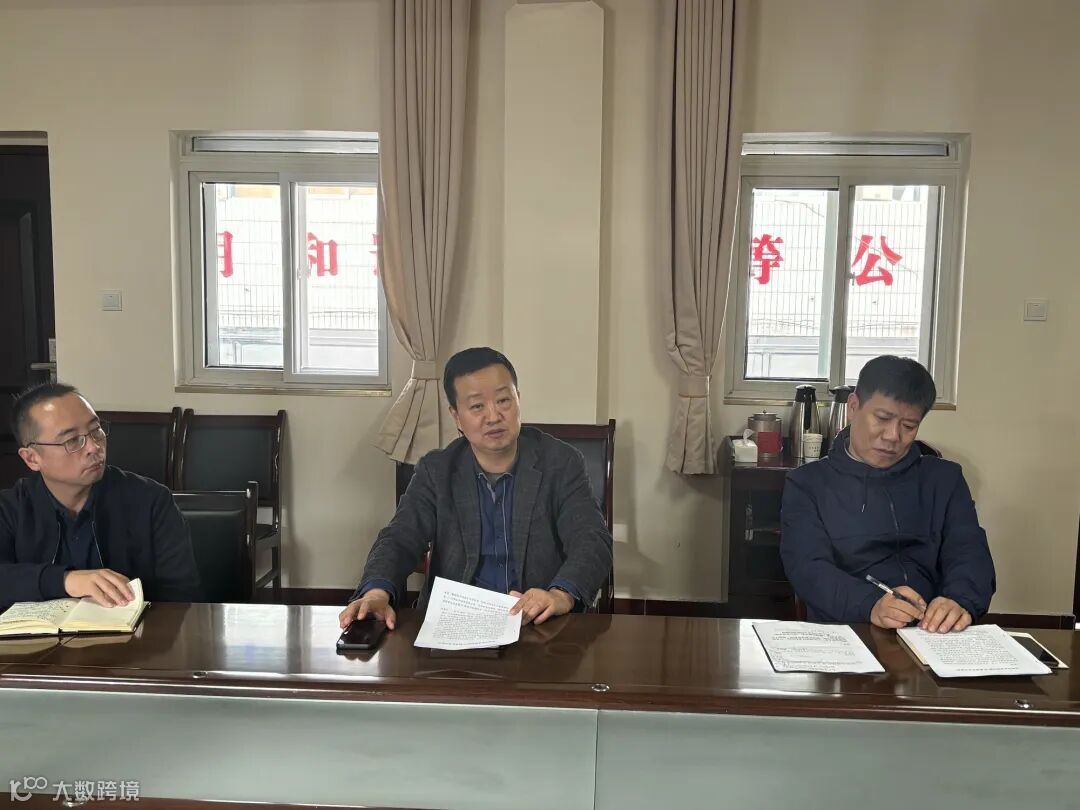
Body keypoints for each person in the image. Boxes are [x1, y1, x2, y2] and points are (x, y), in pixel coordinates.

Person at [339, 347, 613, 630]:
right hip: (456, 624)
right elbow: (400, 537)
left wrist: (560, 594)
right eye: (477, 406)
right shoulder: (437, 470)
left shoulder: (560, 462)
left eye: (504, 400)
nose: (493, 416)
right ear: (457, 416)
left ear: (518, 400)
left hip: (536, 622)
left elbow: (591, 538)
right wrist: (376, 592)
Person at [780, 356, 995, 633]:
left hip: (932, 632)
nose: (893, 436)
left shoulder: (944, 479)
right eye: (882, 418)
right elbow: (808, 569)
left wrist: (959, 600)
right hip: (848, 628)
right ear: (853, 407)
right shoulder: (808, 484)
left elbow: (969, 551)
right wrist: (871, 605)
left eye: (909, 426)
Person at [0, 383, 200, 608]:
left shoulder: (152, 501)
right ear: (32, 458)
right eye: (72, 440)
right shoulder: (9, 508)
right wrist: (64, 581)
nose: (94, 447)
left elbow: (182, 595)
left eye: (96, 430)